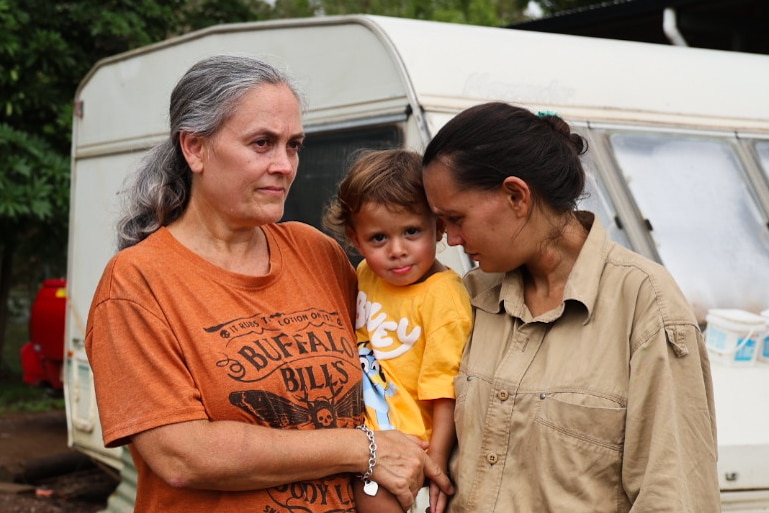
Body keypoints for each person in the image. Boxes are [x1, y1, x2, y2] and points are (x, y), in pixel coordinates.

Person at [84, 55, 452, 513]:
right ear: (195, 148)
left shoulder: (316, 252)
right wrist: (365, 449)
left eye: (293, 145)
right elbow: (182, 455)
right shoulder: (138, 282)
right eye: (262, 143)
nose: (284, 165)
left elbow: (402, 347)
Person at [420, 102, 720, 513]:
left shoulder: (644, 304)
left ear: (515, 195)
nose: (450, 239)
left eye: (456, 218)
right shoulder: (467, 298)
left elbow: (673, 497)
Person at [323, 149, 472, 513]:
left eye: (411, 232)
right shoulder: (364, 276)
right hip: (357, 428)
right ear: (355, 239)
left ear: (438, 227)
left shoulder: (443, 296)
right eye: (378, 238)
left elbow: (445, 388)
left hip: (407, 439)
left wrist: (432, 461)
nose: (397, 251)